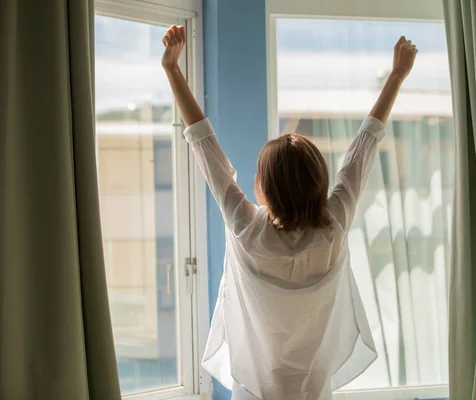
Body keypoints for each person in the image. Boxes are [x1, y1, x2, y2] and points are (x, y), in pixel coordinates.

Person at [161, 25, 418, 400]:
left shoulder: (247, 227)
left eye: (259, 173)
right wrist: (396, 76)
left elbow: (204, 144)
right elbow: (364, 147)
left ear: (267, 186)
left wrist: (172, 70)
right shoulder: (333, 226)